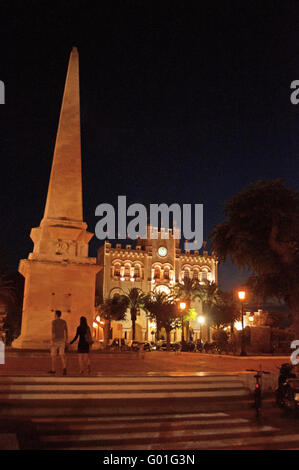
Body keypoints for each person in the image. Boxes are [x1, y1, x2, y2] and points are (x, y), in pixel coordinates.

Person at [49, 310, 68, 375]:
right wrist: (66, 340)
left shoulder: (54, 322)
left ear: (56, 315)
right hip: (62, 340)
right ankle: (64, 367)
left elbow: (53, 332)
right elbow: (65, 331)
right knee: (62, 355)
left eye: (55, 314)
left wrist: (52, 341)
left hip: (55, 340)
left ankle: (53, 369)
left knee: (53, 356)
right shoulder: (64, 322)